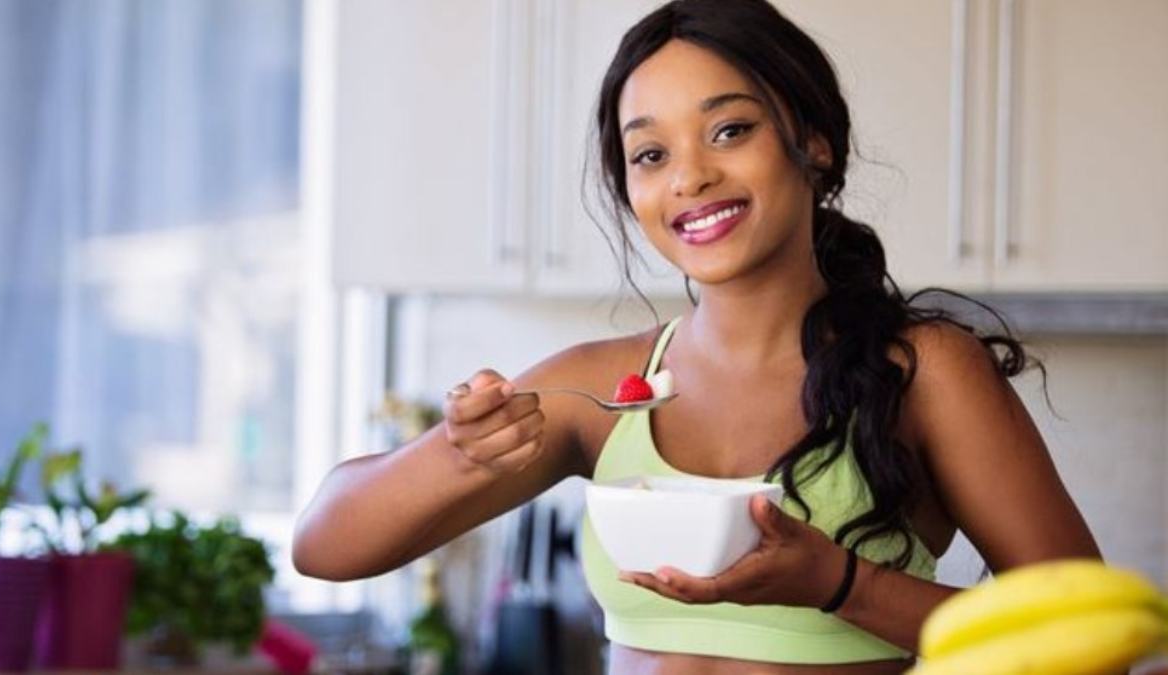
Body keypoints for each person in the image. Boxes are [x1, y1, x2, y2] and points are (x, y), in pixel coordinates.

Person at [293, 1, 1100, 672]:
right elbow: (326, 545)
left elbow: (1088, 643)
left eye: (729, 131)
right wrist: (456, 454)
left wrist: (838, 583)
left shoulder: (921, 370)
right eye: (650, 152)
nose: (689, 177)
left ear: (812, 140)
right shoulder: (606, 389)